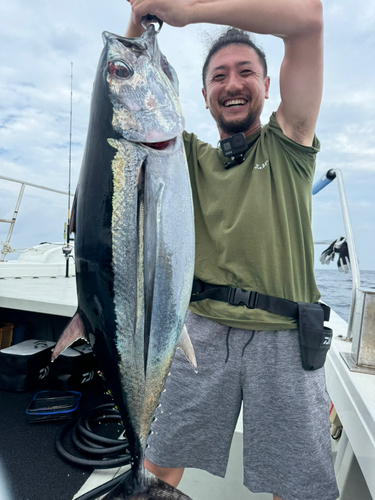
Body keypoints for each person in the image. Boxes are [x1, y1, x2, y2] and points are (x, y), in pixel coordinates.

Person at [125, 1, 339, 499]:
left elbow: (308, 20)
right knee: (155, 472)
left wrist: (188, 12)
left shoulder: (290, 141)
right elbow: (130, 93)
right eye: (219, 76)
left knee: (297, 487)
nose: (233, 84)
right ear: (203, 95)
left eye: (247, 72)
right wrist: (140, 18)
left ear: (268, 86)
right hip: (199, 333)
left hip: (284, 337)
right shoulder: (186, 157)